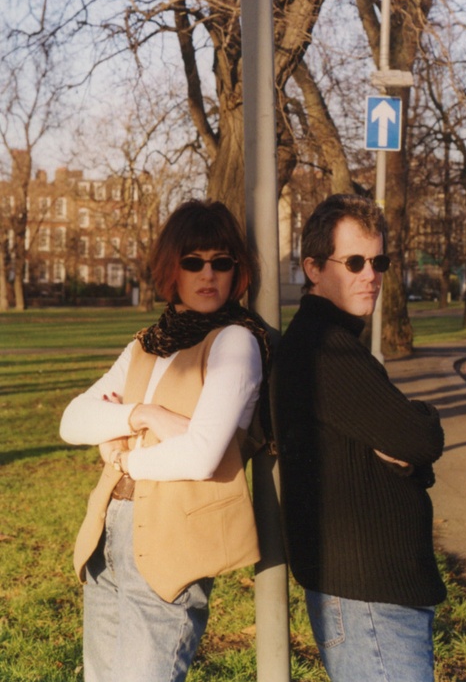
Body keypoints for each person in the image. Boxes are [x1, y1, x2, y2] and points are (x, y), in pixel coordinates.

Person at [60, 199, 270, 682]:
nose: (208, 274)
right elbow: (72, 420)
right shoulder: (148, 342)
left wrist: (123, 454)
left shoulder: (233, 342)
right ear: (171, 267)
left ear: (237, 270)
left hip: (172, 540)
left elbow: (199, 455)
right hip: (107, 532)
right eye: (193, 261)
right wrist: (143, 414)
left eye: (222, 262)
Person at [271, 193, 446, 682]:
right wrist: (422, 423)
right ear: (313, 267)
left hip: (373, 591)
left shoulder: (337, 343)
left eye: (379, 261)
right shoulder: (325, 348)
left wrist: (409, 457)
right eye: (353, 262)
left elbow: (406, 449)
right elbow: (419, 437)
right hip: (368, 598)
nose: (370, 275)